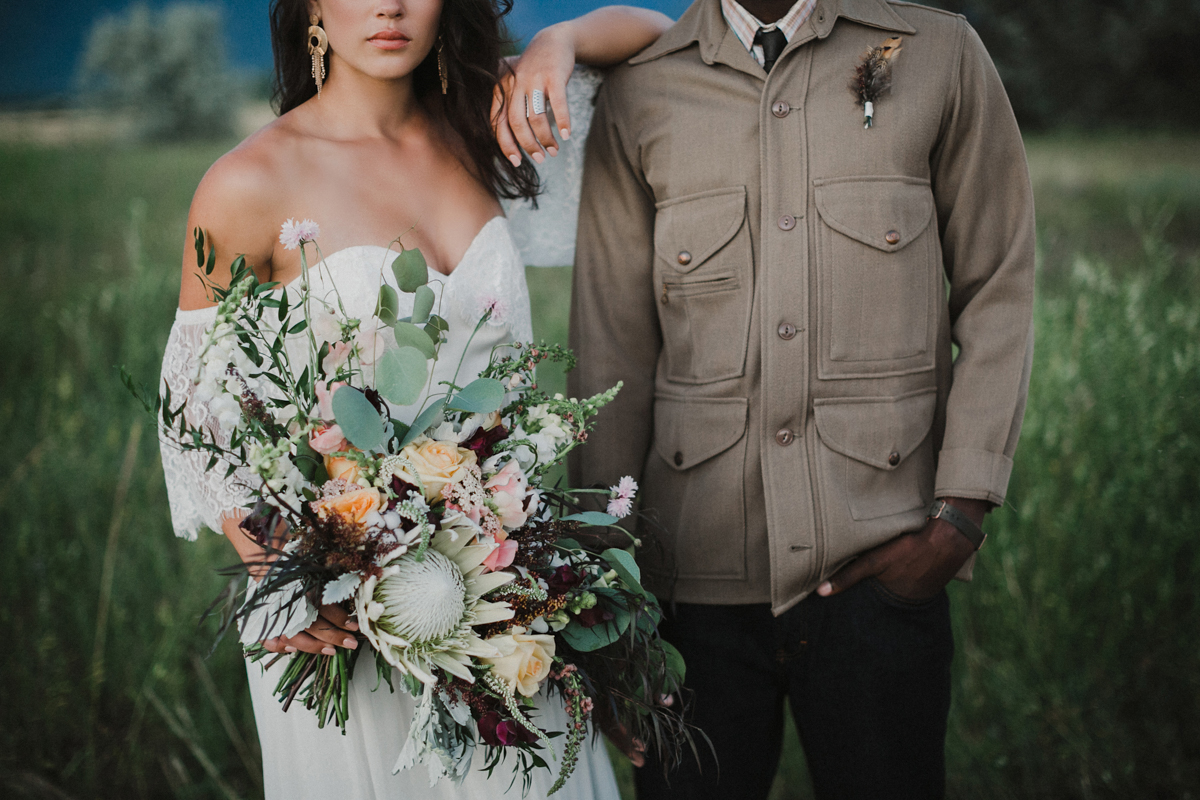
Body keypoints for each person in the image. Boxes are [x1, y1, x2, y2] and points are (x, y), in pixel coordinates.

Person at [157, 2, 671, 797]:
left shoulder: (485, 129)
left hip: (510, 601)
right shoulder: (248, 182)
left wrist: (555, 42)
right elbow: (196, 410)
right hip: (346, 613)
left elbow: (659, 38)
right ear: (314, 10)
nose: (389, 6)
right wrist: (274, 573)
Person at [567, 0, 1036, 798]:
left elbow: (999, 284)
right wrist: (607, 596)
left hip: (883, 564)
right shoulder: (642, 90)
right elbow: (611, 352)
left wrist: (961, 514)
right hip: (692, 587)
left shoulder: (941, 54)